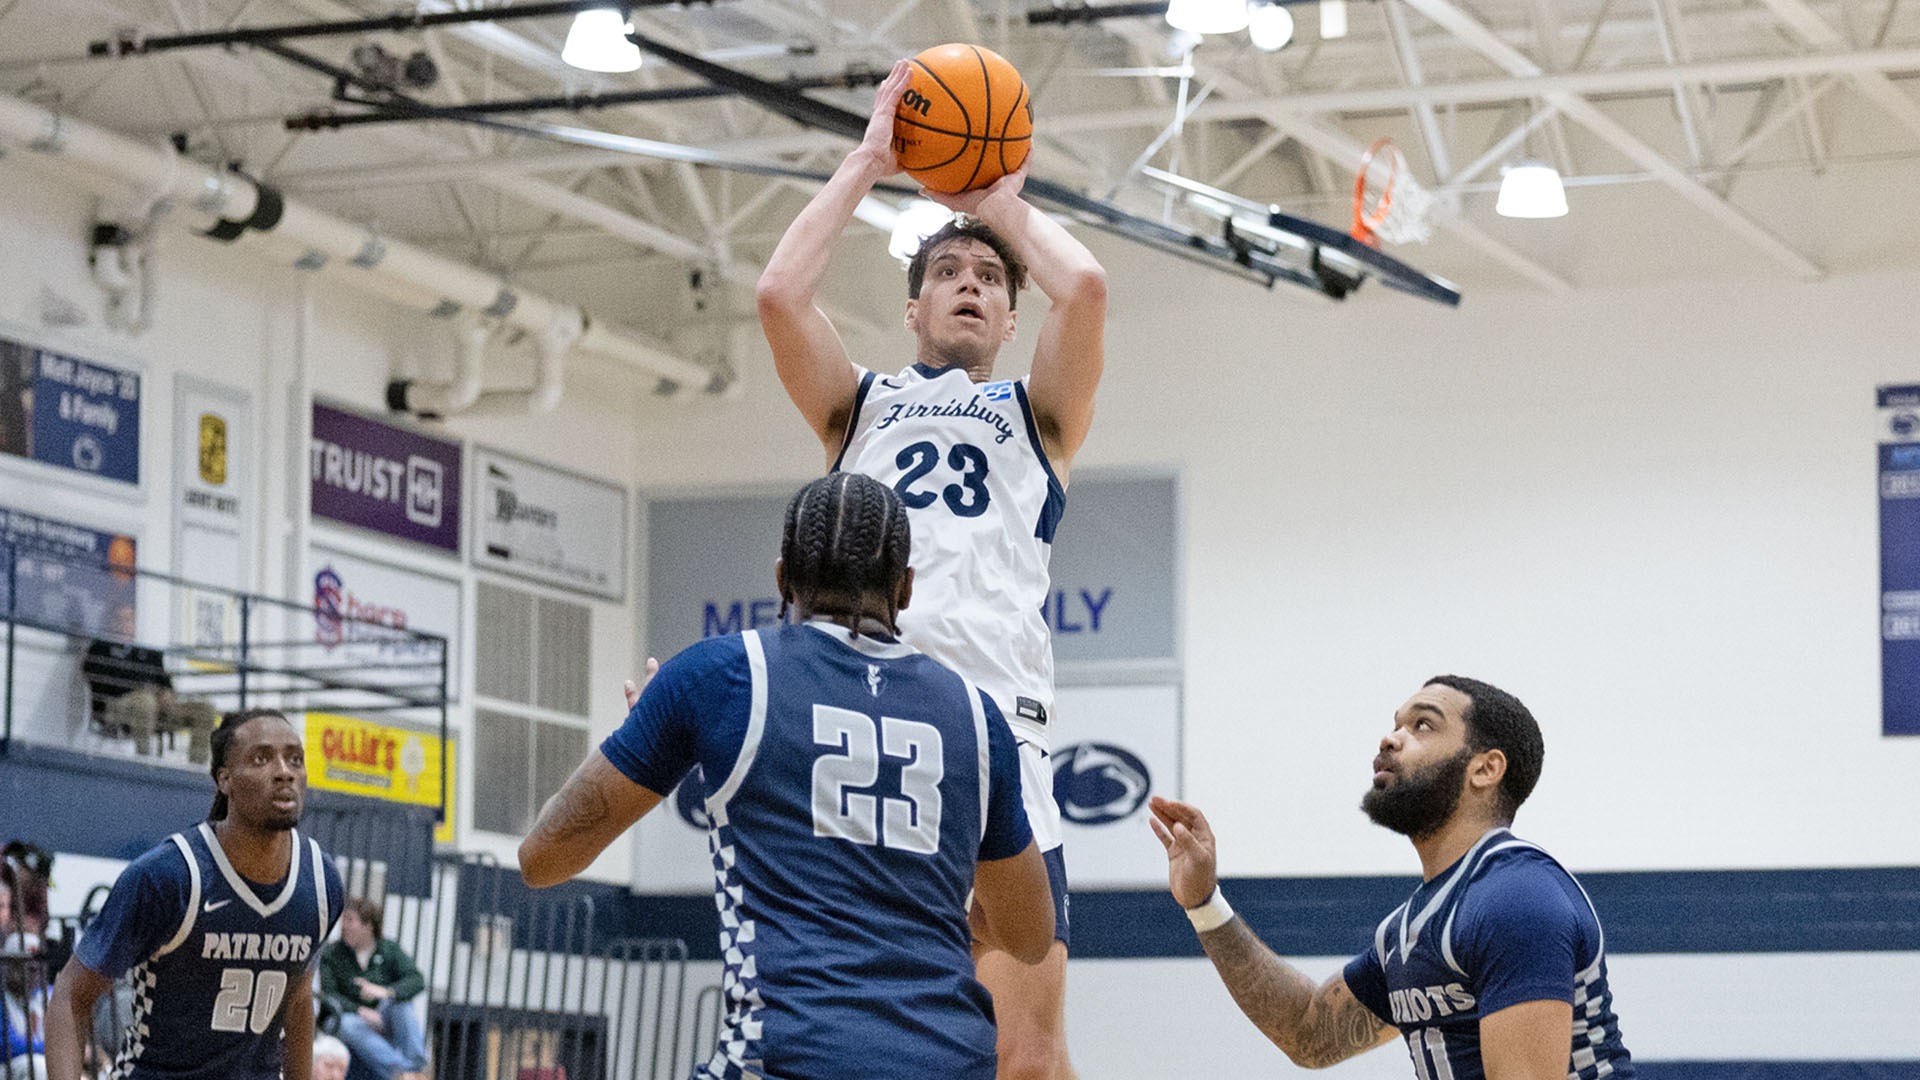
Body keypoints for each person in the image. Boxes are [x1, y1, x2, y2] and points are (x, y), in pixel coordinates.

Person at [755, 59, 1107, 1080]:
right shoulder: (855, 405)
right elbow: (780, 290)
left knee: (1026, 1049)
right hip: (866, 722)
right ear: (911, 312)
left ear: (1009, 320)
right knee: (860, 1033)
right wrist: (871, 157)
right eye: (949, 273)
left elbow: (1082, 285)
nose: (969, 283)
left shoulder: (1037, 417)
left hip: (998, 729)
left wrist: (997, 198)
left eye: (991, 279)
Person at [520, 474, 1054, 1080]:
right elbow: (1030, 936)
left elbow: (544, 858)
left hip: (791, 1059)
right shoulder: (976, 717)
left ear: (781, 577)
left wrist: (648, 733)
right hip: (950, 1062)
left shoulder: (721, 677)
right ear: (905, 589)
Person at [1151, 676, 1635, 1079]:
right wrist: (1203, 903)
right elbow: (1307, 1033)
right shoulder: (1409, 929)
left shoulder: (1515, 896)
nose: (1391, 738)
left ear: (1485, 769)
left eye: (1423, 724)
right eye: (1395, 724)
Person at [42, 708, 345, 1080]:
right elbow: (71, 995)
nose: (284, 771)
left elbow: (298, 1003)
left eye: (294, 759)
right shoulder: (168, 876)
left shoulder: (320, 880)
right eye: (261, 758)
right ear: (225, 779)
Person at [317, 898, 426, 1080]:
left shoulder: (389, 949)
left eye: (350, 920)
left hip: (381, 1017)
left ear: (368, 926)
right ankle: (400, 1073)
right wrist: (359, 1010)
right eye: (343, 920)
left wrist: (387, 992)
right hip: (344, 1017)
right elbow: (329, 994)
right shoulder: (332, 953)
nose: (344, 926)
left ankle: (415, 1068)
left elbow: (417, 980)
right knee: (348, 1024)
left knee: (402, 1004)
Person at [82, 638, 218, 764]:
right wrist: (141, 690)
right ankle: (144, 764)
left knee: (205, 710)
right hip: (120, 704)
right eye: (122, 618)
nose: (127, 624)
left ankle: (196, 771)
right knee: (146, 702)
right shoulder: (102, 646)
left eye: (130, 619)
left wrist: (167, 692)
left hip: (157, 707)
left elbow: (164, 680)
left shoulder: (147, 649)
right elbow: (98, 680)